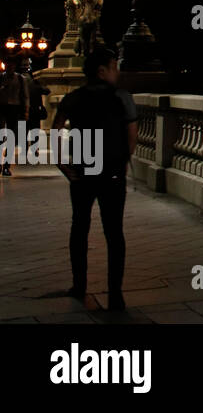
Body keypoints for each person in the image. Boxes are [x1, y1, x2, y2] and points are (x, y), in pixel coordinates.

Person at [50, 47, 137, 311]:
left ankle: (79, 284)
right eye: (114, 66)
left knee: (80, 228)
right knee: (114, 233)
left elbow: (55, 130)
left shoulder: (73, 98)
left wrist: (62, 164)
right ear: (102, 71)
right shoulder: (122, 98)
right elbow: (131, 135)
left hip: (82, 171)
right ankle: (115, 293)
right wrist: (122, 161)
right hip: (111, 172)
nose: (117, 71)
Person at [0, 67, 26, 176]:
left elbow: (25, 96)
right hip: (1, 107)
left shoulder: (20, 78)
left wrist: (26, 110)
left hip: (14, 108)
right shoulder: (1, 77)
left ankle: (6, 166)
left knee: (11, 138)